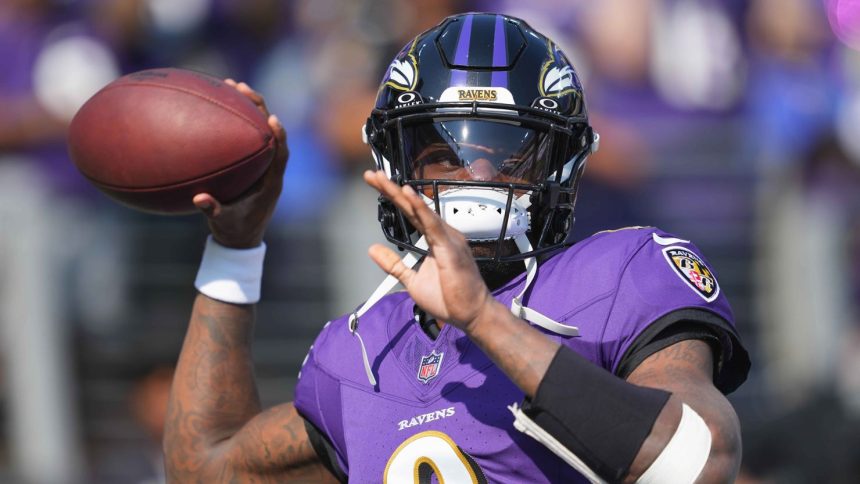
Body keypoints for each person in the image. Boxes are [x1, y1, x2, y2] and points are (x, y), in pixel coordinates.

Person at [164, 13, 750, 483]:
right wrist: (235, 248)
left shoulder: (619, 275)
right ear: (395, 164)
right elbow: (202, 470)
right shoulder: (362, 348)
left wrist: (484, 321)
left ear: (560, 165)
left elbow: (698, 459)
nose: (476, 174)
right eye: (443, 153)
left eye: (508, 150)